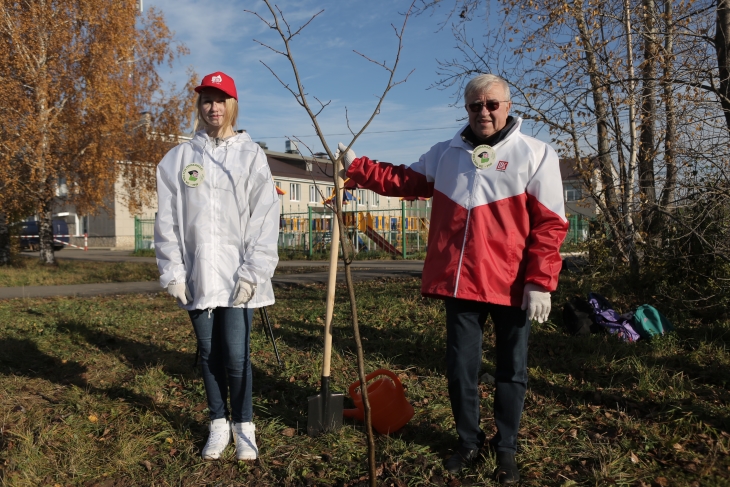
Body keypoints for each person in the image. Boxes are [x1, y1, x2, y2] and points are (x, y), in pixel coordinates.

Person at [338, 74, 568, 484]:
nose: (484, 112)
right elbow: (404, 181)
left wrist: (540, 281)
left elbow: (550, 225)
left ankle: (507, 448)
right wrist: (359, 167)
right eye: (475, 106)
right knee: (461, 369)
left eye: (492, 104)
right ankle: (467, 441)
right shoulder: (446, 153)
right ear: (466, 109)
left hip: (513, 285)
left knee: (511, 371)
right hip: (461, 283)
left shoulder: (535, 154)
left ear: (509, 106)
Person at [154, 71, 280, 461]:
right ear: (199, 105)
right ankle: (218, 423)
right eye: (207, 99)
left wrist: (253, 273)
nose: (214, 107)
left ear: (232, 105)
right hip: (199, 275)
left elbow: (264, 217)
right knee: (208, 353)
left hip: (240, 276)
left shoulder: (250, 155)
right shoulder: (180, 158)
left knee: (238, 355)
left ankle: (245, 425)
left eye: (221, 99)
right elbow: (168, 220)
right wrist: (173, 270)